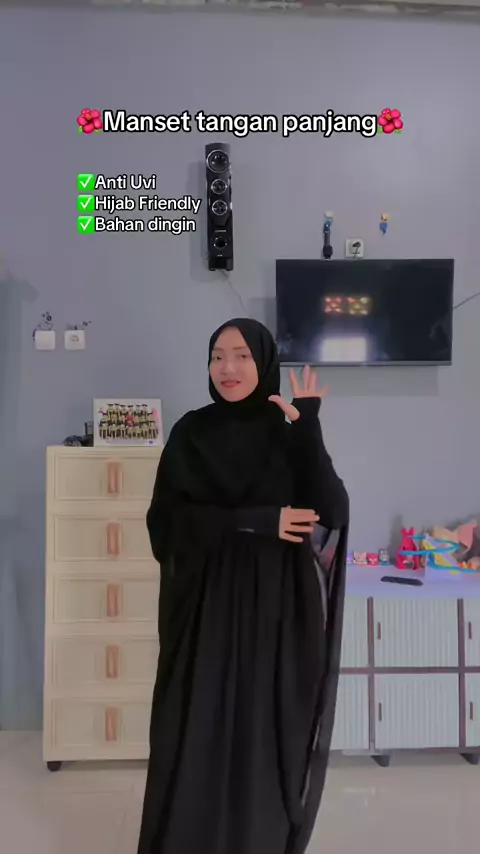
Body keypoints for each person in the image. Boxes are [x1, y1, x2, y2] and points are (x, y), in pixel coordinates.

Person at [137, 318, 349, 854]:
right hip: (205, 610)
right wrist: (255, 520)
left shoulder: (288, 430)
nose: (227, 368)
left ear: (264, 362)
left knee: (263, 733)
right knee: (193, 728)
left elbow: (333, 512)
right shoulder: (191, 433)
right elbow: (166, 522)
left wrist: (309, 427)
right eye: (217, 356)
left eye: (241, 356)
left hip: (275, 613)